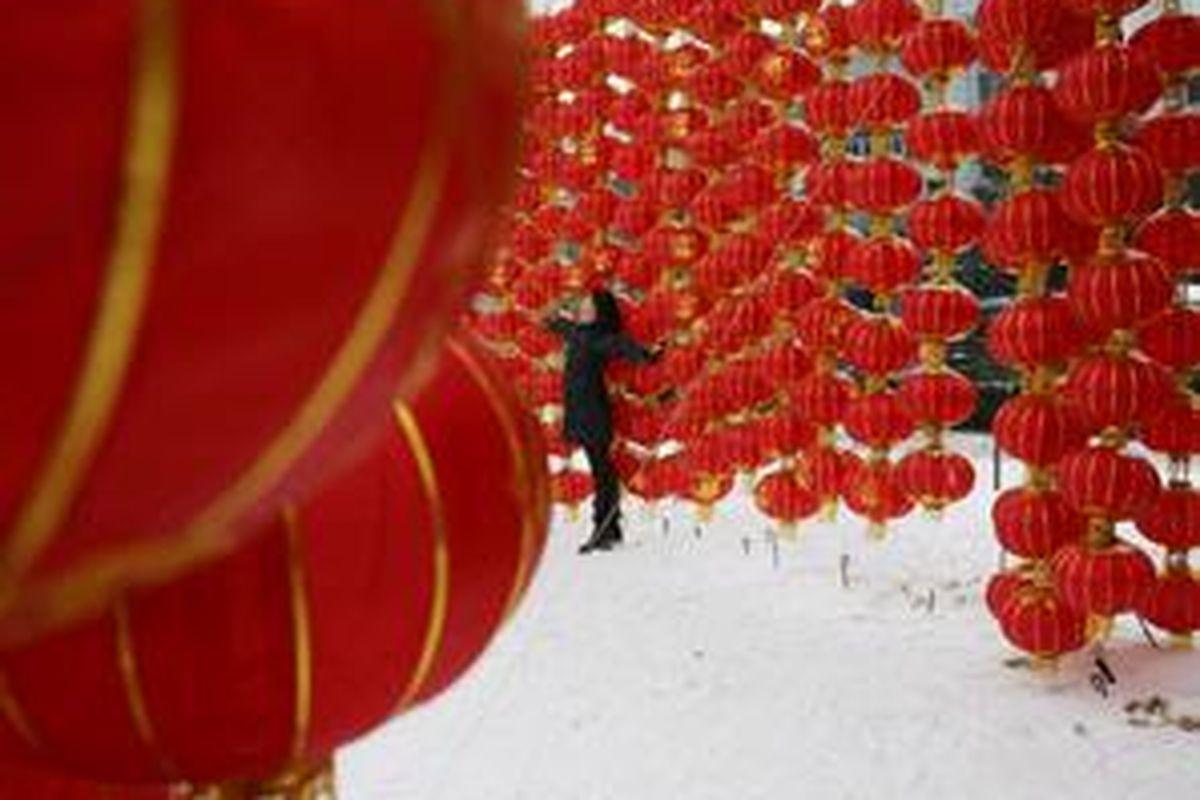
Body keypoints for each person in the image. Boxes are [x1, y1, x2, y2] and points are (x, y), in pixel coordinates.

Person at [546, 288, 659, 554]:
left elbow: (622, 345)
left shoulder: (600, 338)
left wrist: (646, 355)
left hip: (594, 413)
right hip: (579, 412)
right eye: (582, 306)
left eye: (588, 306)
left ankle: (604, 528)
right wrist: (552, 320)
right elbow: (562, 326)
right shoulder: (578, 333)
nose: (582, 309)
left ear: (600, 312)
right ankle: (611, 528)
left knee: (602, 473)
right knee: (602, 470)